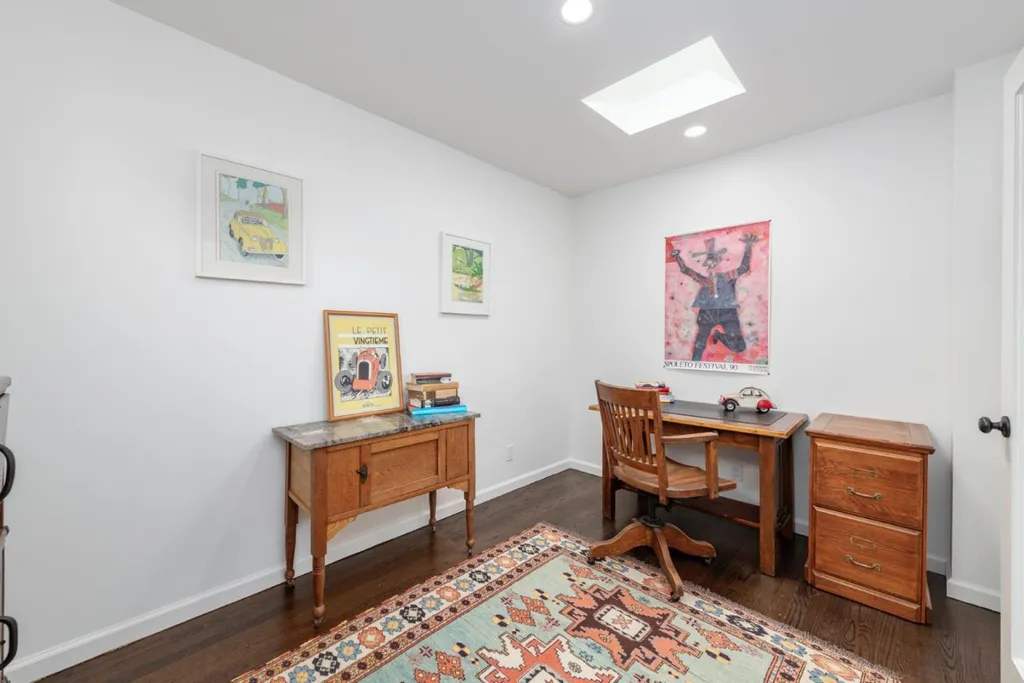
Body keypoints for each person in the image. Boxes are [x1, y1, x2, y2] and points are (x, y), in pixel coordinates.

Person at [669, 233, 758, 362]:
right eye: (708, 263)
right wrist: (677, 257)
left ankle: (719, 336)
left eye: (713, 262)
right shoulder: (704, 280)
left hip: (727, 312)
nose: (711, 266)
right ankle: (694, 366)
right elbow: (685, 270)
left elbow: (744, 268)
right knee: (699, 345)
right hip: (707, 314)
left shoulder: (728, 277)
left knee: (739, 346)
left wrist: (748, 246)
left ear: (717, 263)